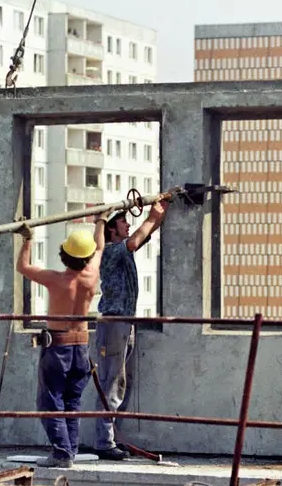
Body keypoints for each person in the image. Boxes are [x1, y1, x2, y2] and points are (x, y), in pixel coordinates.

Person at [15, 213, 107, 468]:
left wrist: (27, 239)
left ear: (64, 255)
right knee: (72, 402)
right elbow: (99, 246)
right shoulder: (91, 277)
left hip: (58, 347)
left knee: (51, 400)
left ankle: (62, 453)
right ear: (86, 257)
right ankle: (69, 452)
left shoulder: (55, 279)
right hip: (81, 347)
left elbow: (22, 267)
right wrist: (101, 221)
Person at [93, 200, 169, 460]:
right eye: (123, 222)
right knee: (112, 382)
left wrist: (161, 210)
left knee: (120, 382)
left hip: (124, 321)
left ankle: (111, 437)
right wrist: (150, 215)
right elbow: (136, 239)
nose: (128, 225)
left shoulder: (120, 252)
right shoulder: (112, 250)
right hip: (114, 322)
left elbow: (144, 234)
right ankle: (104, 442)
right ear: (112, 229)